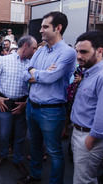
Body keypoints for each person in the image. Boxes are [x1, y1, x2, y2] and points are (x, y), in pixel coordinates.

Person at [20, 11, 77, 184]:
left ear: (58, 28)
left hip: (51, 111)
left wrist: (35, 73)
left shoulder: (68, 53)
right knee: (35, 146)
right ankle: (35, 176)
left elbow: (50, 77)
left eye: (45, 27)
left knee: (54, 152)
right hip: (32, 106)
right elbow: (25, 72)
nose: (41, 31)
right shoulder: (41, 50)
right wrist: (39, 73)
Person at [70, 31, 103, 184]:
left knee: (83, 180)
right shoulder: (89, 72)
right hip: (81, 133)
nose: (78, 56)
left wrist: (91, 139)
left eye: (83, 51)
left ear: (100, 51)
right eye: (77, 51)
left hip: (89, 136)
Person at [0, 36, 37, 178]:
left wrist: (26, 102)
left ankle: (18, 160)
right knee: (4, 133)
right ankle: (3, 154)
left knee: (20, 135)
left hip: (22, 104)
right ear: (26, 46)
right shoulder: (4, 60)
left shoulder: (32, 64)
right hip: (5, 103)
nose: (35, 51)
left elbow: (36, 86)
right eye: (34, 48)